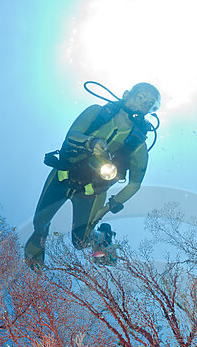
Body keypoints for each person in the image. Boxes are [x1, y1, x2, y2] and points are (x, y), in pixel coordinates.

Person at [24, 82, 160, 270]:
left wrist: (108, 207)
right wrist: (91, 142)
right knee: (39, 221)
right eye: (140, 97)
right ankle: (39, 240)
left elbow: (134, 184)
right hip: (62, 176)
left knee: (80, 243)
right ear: (127, 94)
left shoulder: (138, 145)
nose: (142, 105)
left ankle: (103, 236)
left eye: (148, 104)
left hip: (91, 192)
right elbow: (71, 135)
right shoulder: (97, 113)